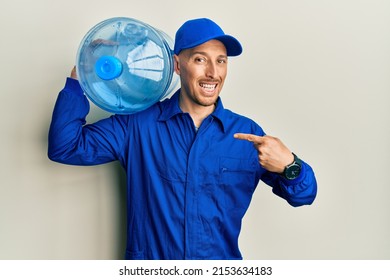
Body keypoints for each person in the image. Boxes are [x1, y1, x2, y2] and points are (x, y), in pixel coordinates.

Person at [48, 18, 317, 260]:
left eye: (221, 60)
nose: (213, 72)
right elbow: (65, 146)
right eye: (200, 59)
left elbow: (305, 195)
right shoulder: (137, 125)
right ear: (177, 65)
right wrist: (82, 72)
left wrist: (289, 165)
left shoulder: (246, 134)